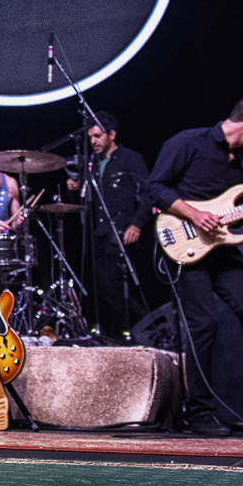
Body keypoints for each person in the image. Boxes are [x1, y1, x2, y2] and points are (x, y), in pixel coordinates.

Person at [144, 94, 243, 437]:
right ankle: (199, 413)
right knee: (204, 325)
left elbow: (227, 219)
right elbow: (154, 187)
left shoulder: (241, 163)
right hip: (183, 246)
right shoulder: (188, 142)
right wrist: (196, 215)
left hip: (221, 250)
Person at [65, 113, 151, 340]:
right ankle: (115, 335)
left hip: (122, 229)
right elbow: (83, 200)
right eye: (90, 137)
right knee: (103, 289)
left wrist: (137, 224)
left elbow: (148, 194)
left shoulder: (131, 158)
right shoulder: (91, 165)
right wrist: (74, 188)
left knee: (117, 287)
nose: (93, 141)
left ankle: (145, 330)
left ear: (112, 134)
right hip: (99, 233)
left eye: (97, 135)